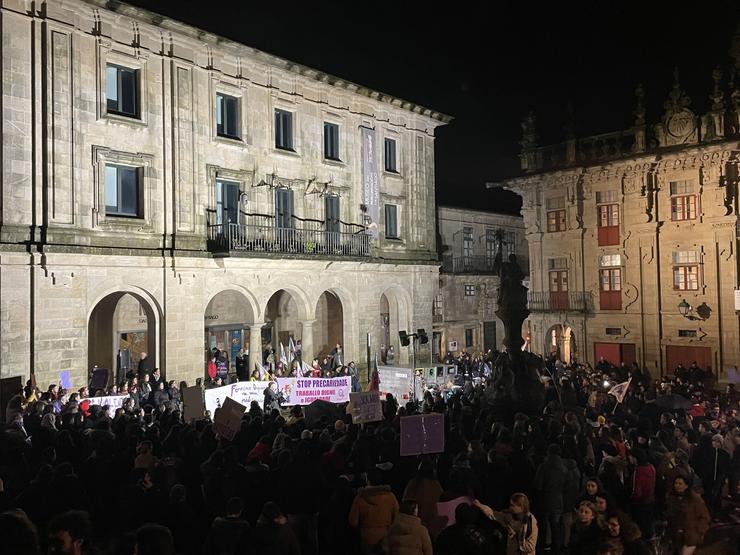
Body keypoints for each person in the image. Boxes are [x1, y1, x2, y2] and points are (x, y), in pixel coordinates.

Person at [349, 469, 400, 553]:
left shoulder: (360, 497)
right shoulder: (390, 496)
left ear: (368, 480)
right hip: (385, 536)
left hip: (367, 536)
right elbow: (398, 517)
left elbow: (353, 521)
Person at [666, 475, 710, 555]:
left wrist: (699, 531)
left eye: (680, 483)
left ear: (686, 485)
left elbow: (705, 517)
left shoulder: (695, 500)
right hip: (676, 536)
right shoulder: (671, 498)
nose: (677, 485)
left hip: (690, 536)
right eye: (676, 483)